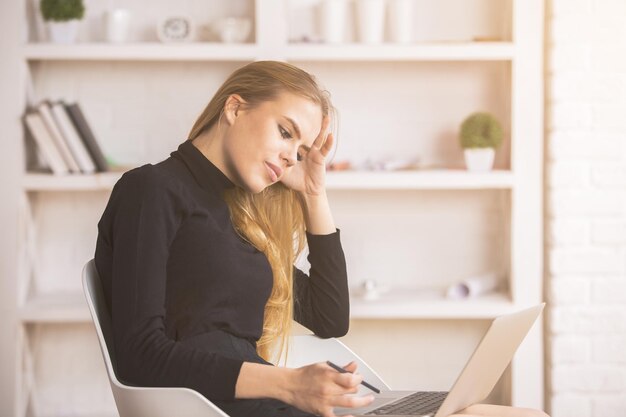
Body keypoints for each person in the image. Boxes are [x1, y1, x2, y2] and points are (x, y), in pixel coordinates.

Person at [94, 61, 549, 417]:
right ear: (235, 108)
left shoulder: (236, 215)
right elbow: (140, 357)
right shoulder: (151, 190)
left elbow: (330, 317)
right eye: (285, 132)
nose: (290, 155)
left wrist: (314, 191)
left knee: (529, 414)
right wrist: (289, 384)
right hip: (223, 408)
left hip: (272, 403)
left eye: (301, 149)